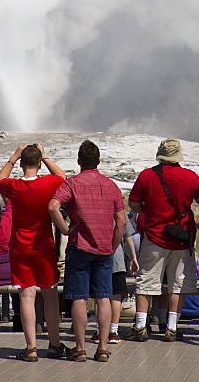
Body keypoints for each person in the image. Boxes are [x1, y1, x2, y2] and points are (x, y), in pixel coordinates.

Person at [49, 139, 126, 363]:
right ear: (99, 161)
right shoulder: (111, 186)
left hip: (79, 245)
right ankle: (102, 348)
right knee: (104, 298)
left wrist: (64, 229)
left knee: (79, 298)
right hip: (104, 248)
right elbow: (121, 221)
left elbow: (53, 206)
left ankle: (80, 348)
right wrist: (113, 245)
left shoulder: (72, 184)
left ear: (79, 161)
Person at [125, 138, 199, 343]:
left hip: (154, 236)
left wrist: (148, 211)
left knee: (146, 281)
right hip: (181, 237)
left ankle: (141, 326)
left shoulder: (147, 175)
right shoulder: (190, 176)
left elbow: (133, 202)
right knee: (177, 284)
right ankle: (172, 327)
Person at [0, 142, 67, 362]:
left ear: (21, 164)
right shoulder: (48, 183)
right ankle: (54, 344)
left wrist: (13, 156)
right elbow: (62, 176)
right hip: (44, 245)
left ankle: (31, 347)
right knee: (50, 295)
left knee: (26, 295)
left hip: (20, 246)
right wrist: (45, 157)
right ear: (38, 163)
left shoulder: (14, 186)